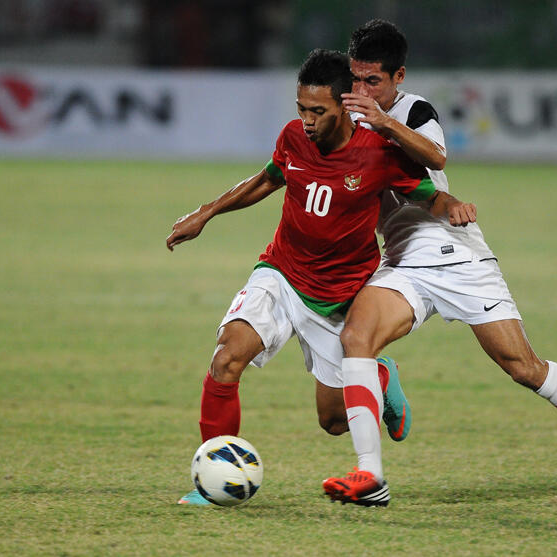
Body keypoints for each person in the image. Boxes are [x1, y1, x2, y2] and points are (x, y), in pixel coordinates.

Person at [321, 19, 557, 510]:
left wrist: (383, 121)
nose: (362, 90)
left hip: (455, 253)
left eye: (373, 81)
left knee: (523, 367)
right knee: (355, 340)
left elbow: (436, 156)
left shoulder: (413, 110)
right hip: (403, 260)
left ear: (398, 77)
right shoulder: (344, 115)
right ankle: (370, 475)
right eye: (356, 78)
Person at [166, 49, 449, 505]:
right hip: (281, 273)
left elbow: (427, 190)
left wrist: (449, 207)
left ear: (345, 105)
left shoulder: (377, 152)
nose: (308, 121)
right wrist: (208, 212)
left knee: (334, 423)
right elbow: (265, 179)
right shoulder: (294, 137)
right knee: (226, 359)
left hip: (340, 297)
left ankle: (378, 375)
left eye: (318, 111)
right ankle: (211, 481)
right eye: (302, 109)